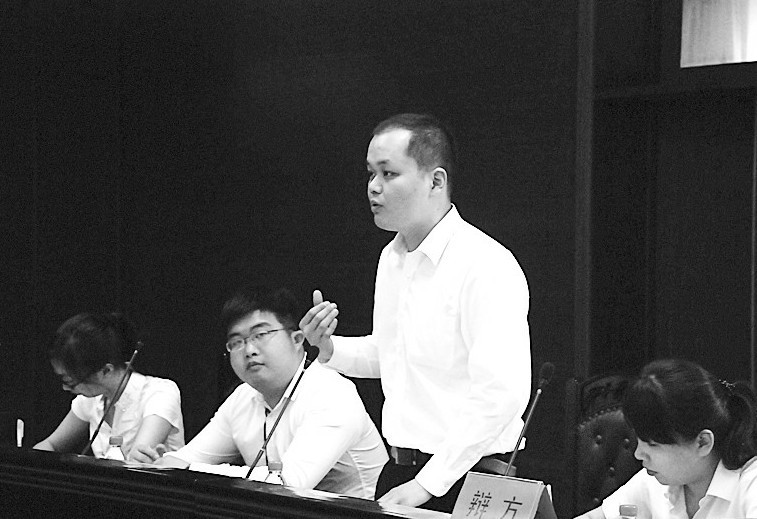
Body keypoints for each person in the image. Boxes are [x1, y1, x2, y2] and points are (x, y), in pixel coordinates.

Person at [299, 113, 532, 512]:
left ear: (435, 181)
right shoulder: (391, 259)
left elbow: (501, 395)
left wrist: (428, 484)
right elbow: (391, 355)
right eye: (371, 173)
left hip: (469, 477)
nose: (374, 187)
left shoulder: (485, 264)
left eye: (389, 173)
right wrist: (328, 347)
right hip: (401, 470)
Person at [132, 286, 388, 500]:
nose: (249, 350)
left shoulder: (331, 393)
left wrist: (187, 468)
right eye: (237, 342)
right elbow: (188, 457)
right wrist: (156, 461)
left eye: (261, 335)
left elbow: (288, 483)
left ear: (297, 340)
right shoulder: (243, 397)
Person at [574, 358, 757, 519]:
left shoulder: (750, 484)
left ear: (703, 442)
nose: (638, 454)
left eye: (653, 444)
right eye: (639, 440)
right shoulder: (655, 480)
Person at [34, 312, 185, 460]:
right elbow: (51, 445)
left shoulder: (160, 394)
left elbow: (137, 461)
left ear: (106, 371)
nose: (65, 388)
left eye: (70, 380)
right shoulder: (90, 399)